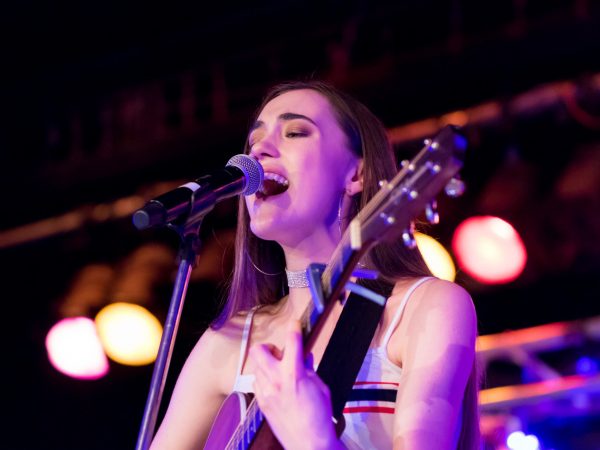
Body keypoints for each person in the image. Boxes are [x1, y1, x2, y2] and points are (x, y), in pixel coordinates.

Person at [150, 80, 479, 450]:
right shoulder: (228, 342)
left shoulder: (424, 307)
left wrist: (313, 438)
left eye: (294, 132)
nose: (260, 149)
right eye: (254, 139)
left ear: (358, 175)